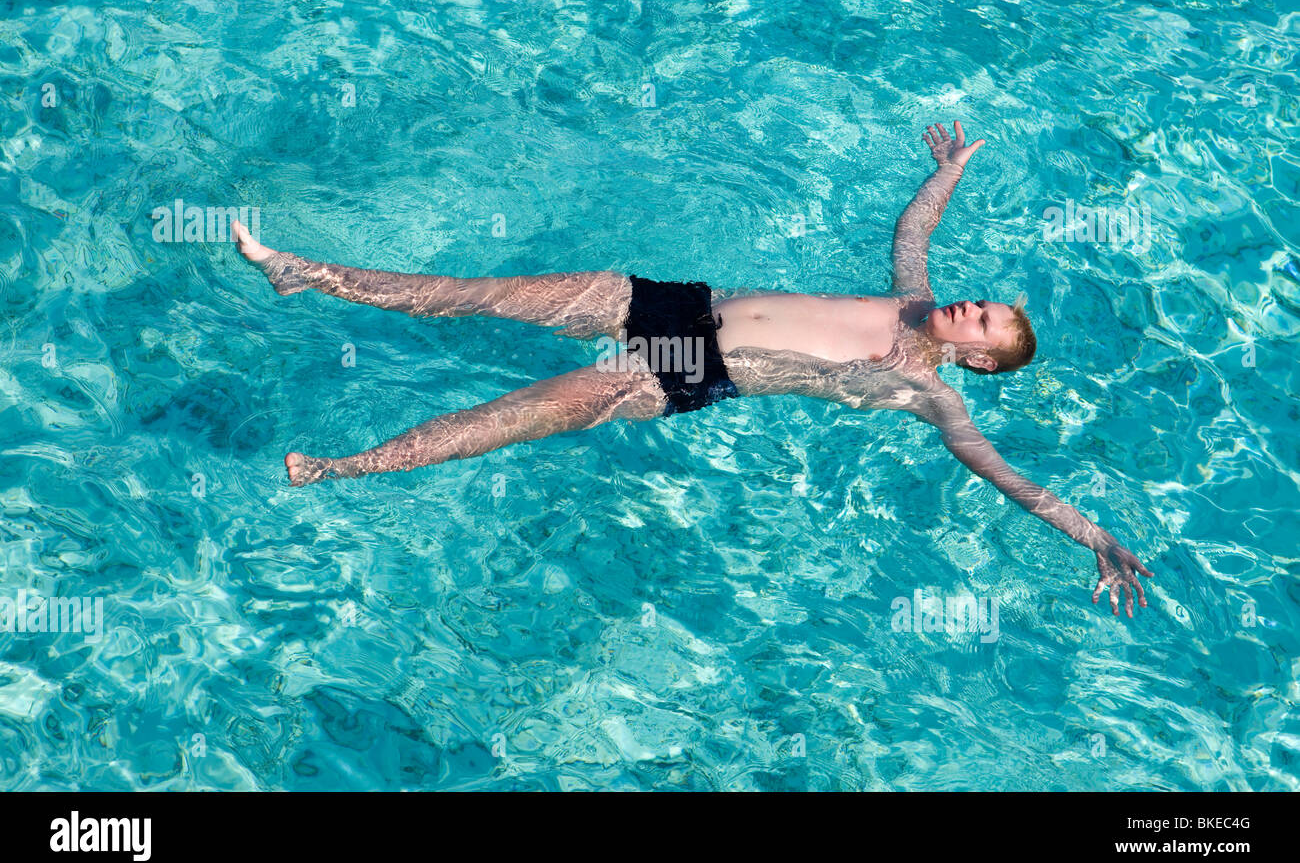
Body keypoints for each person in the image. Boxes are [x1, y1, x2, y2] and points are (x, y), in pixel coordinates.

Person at [233, 120, 1151, 617]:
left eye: (982, 321)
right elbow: (915, 229)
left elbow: (1004, 476)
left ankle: (345, 468)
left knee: (512, 414)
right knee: (482, 294)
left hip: (688, 367)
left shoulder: (929, 390)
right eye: (983, 301)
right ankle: (303, 273)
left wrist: (1094, 538)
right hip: (680, 303)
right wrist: (948, 170)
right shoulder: (915, 294)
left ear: (979, 359)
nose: (970, 307)